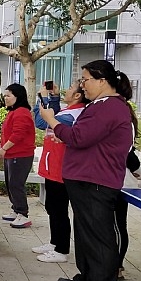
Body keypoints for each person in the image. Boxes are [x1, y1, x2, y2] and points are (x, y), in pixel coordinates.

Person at [41, 61, 137, 281]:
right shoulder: (99, 105)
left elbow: (79, 137)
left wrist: (52, 121)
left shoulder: (110, 107)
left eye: (85, 80)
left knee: (99, 237)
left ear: (102, 81)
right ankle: (86, 279)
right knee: (85, 234)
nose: (82, 85)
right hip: (84, 178)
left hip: (97, 180)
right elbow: (85, 137)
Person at [33, 82, 88, 263]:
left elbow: (42, 122)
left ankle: (61, 249)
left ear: (78, 95)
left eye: (71, 88)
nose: (67, 90)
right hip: (54, 166)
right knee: (52, 206)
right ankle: (54, 242)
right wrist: (55, 98)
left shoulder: (73, 115)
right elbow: (53, 116)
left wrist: (42, 99)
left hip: (61, 168)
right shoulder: (68, 111)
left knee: (58, 209)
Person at [0, 83, 35, 229]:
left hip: (20, 155)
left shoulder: (22, 112)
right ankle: (16, 209)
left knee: (16, 184)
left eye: (8, 95)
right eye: (5, 95)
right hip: (11, 155)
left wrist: (4, 148)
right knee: (10, 183)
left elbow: (18, 134)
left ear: (17, 96)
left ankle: (22, 213)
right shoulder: (13, 112)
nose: (5, 98)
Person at [116, 148, 141, 280]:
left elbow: (136, 167)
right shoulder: (125, 145)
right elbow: (138, 170)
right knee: (118, 227)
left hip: (117, 188)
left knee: (117, 228)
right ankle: (117, 266)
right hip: (119, 188)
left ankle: (116, 266)